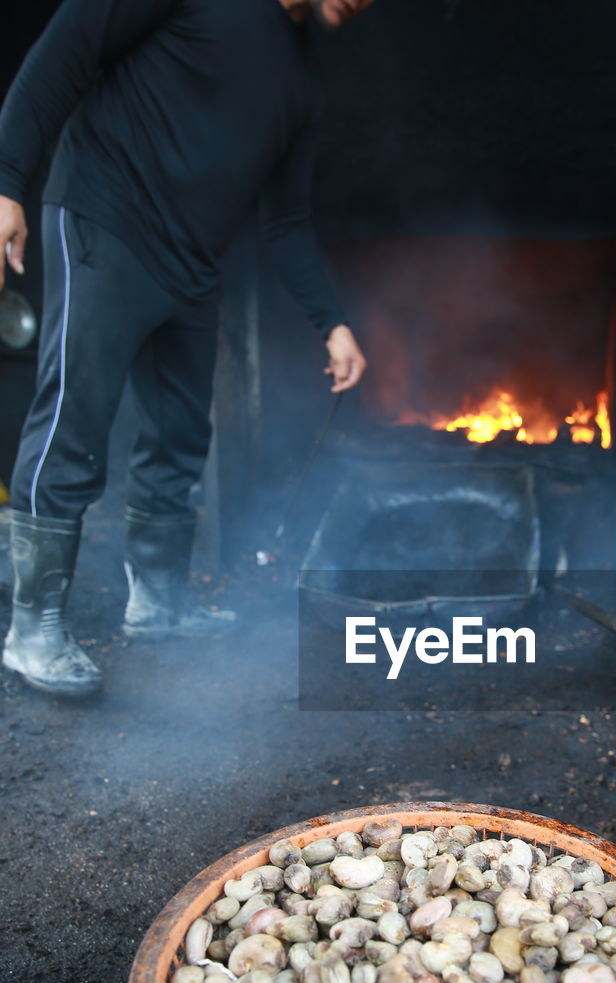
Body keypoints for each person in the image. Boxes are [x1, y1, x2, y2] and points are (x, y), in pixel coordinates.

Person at [0, 0, 372, 697]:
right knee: (74, 422)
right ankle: (32, 629)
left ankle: (159, 605)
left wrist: (332, 322)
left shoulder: (303, 84)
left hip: (194, 268)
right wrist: (6, 180)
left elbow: (286, 223)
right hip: (104, 224)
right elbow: (67, 48)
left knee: (178, 436)